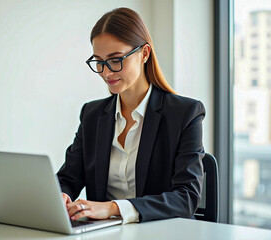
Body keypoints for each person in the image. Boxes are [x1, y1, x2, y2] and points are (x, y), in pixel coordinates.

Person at [57, 7, 205, 224]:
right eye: (99, 61)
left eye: (115, 60)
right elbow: (68, 178)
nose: (106, 72)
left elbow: (186, 198)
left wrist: (113, 208)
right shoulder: (92, 115)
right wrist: (60, 195)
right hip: (103, 234)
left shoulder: (184, 114)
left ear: (144, 53)